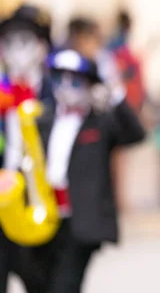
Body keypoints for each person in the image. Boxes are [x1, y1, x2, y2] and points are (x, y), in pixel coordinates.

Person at [8, 49, 145, 293]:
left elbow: (135, 134)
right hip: (45, 216)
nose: (67, 86)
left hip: (79, 220)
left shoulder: (100, 121)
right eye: (60, 78)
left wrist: (114, 94)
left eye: (75, 80)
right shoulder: (44, 119)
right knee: (36, 281)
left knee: (65, 285)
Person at [0, 4, 54, 293]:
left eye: (24, 42)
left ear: (41, 47)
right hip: (2, 203)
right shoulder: (2, 90)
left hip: (40, 203)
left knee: (40, 280)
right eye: (7, 43)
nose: (15, 52)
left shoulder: (55, 93)